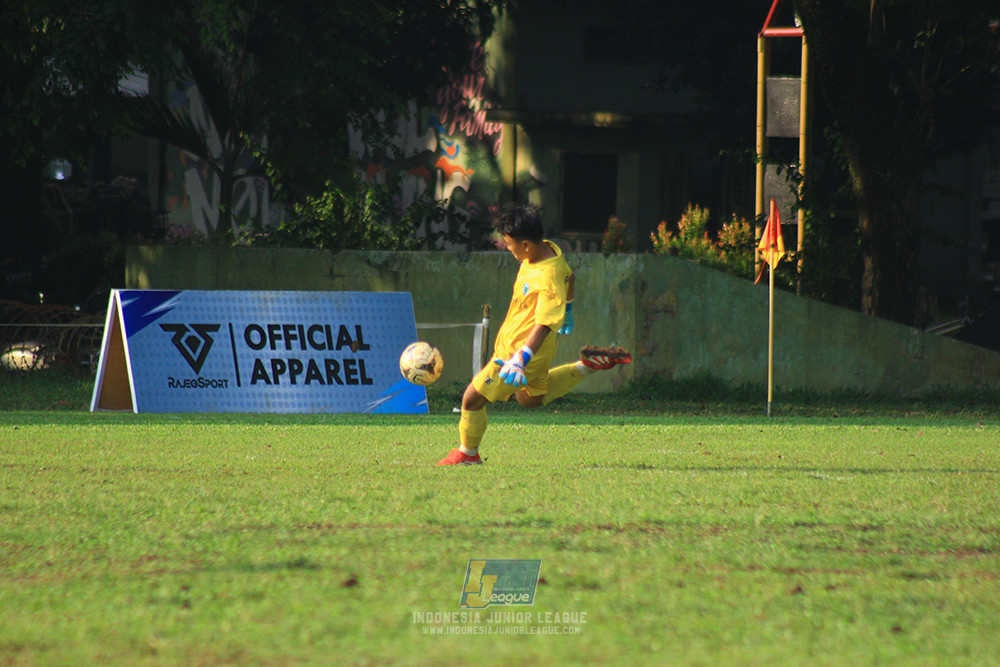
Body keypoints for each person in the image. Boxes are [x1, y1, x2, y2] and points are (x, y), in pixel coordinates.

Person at [436, 204, 632, 466]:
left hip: (518, 352)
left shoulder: (546, 276)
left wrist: (521, 358)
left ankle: (467, 454)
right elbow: (570, 277)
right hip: (538, 351)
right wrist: (568, 308)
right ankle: (587, 366)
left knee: (471, 399)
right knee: (529, 399)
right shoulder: (548, 250)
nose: (508, 248)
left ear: (526, 245)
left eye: (509, 244)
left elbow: (544, 324)